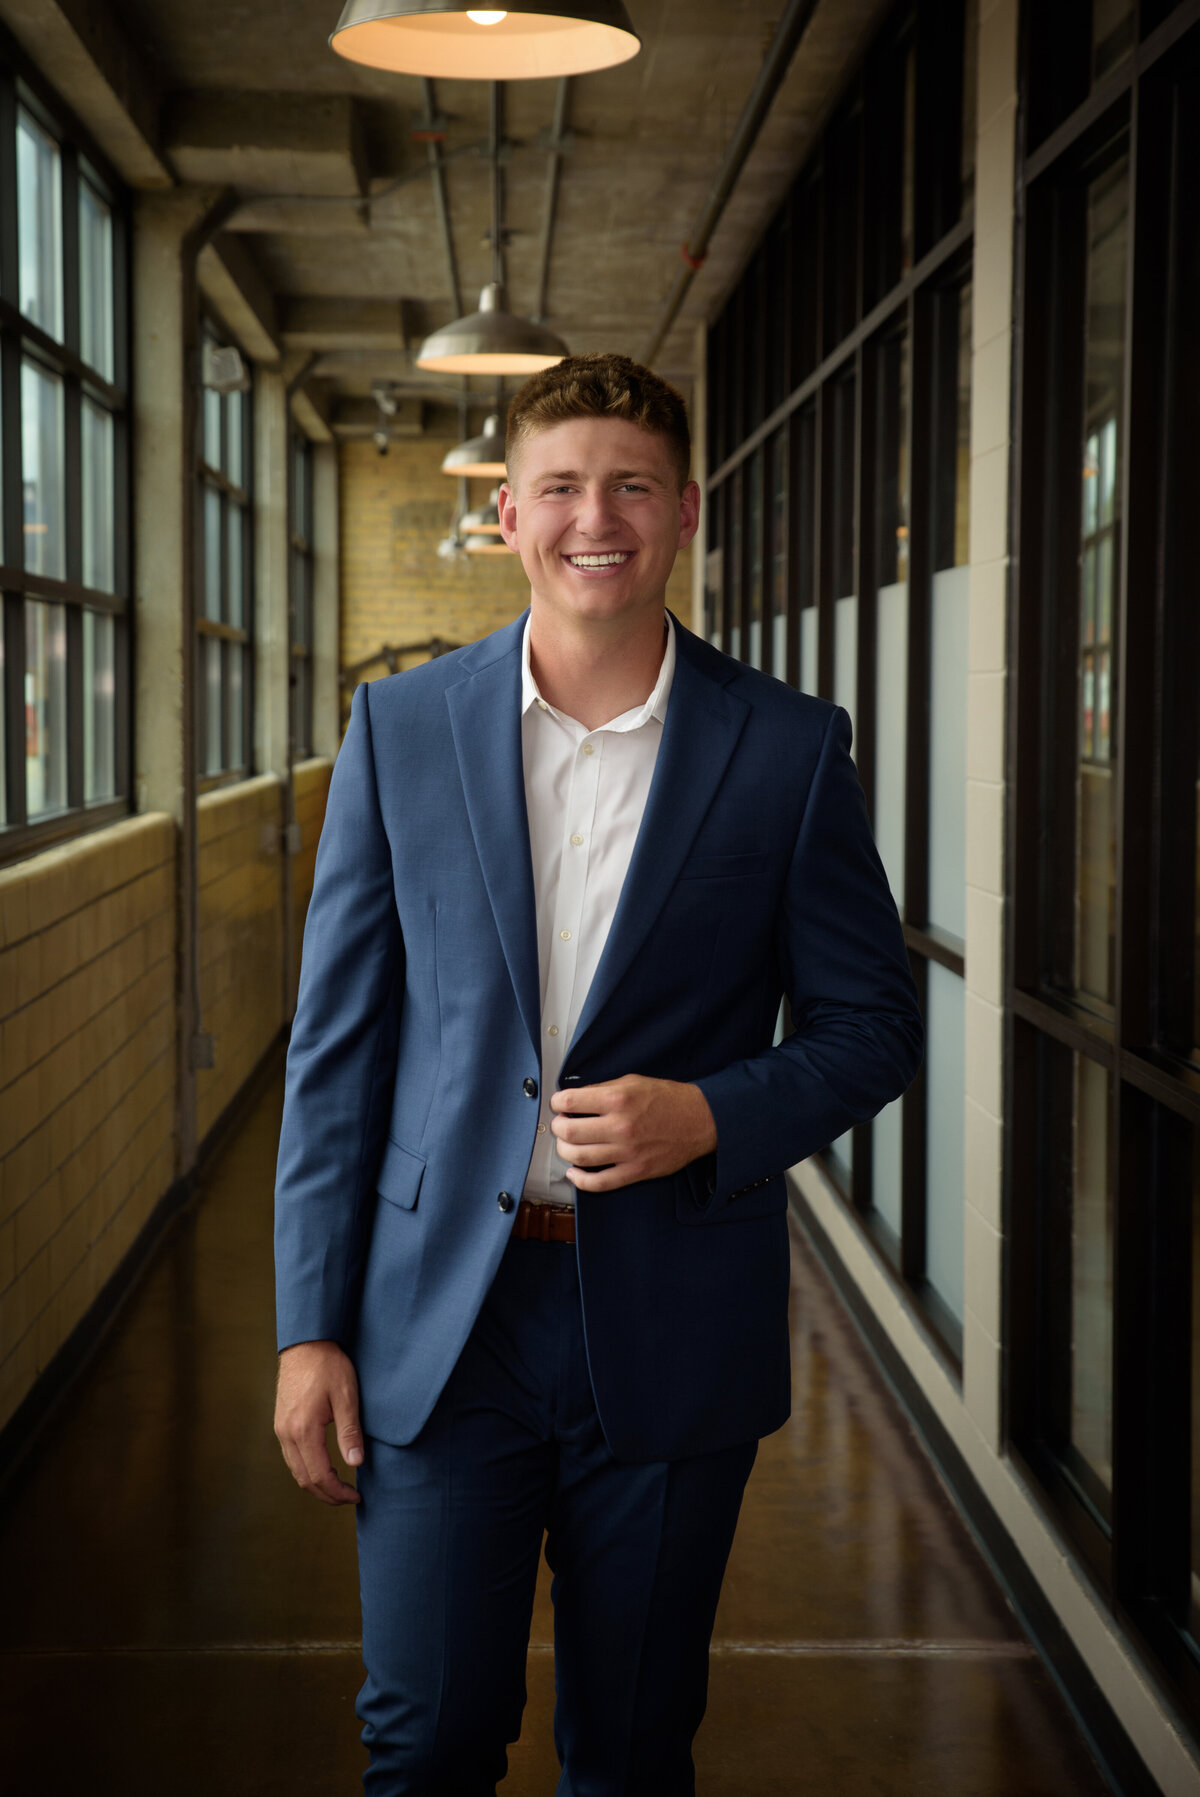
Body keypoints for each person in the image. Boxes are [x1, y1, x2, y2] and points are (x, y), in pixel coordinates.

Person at [272, 352, 922, 1794]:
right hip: (443, 1319)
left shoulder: (790, 750)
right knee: (427, 1733)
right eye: (560, 486)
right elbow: (337, 1048)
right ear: (507, 512)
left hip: (674, 1313)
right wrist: (306, 1324)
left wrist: (710, 1113)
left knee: (631, 1749)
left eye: (630, 485)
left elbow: (874, 1022)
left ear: (687, 511)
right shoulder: (403, 730)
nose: (594, 517)